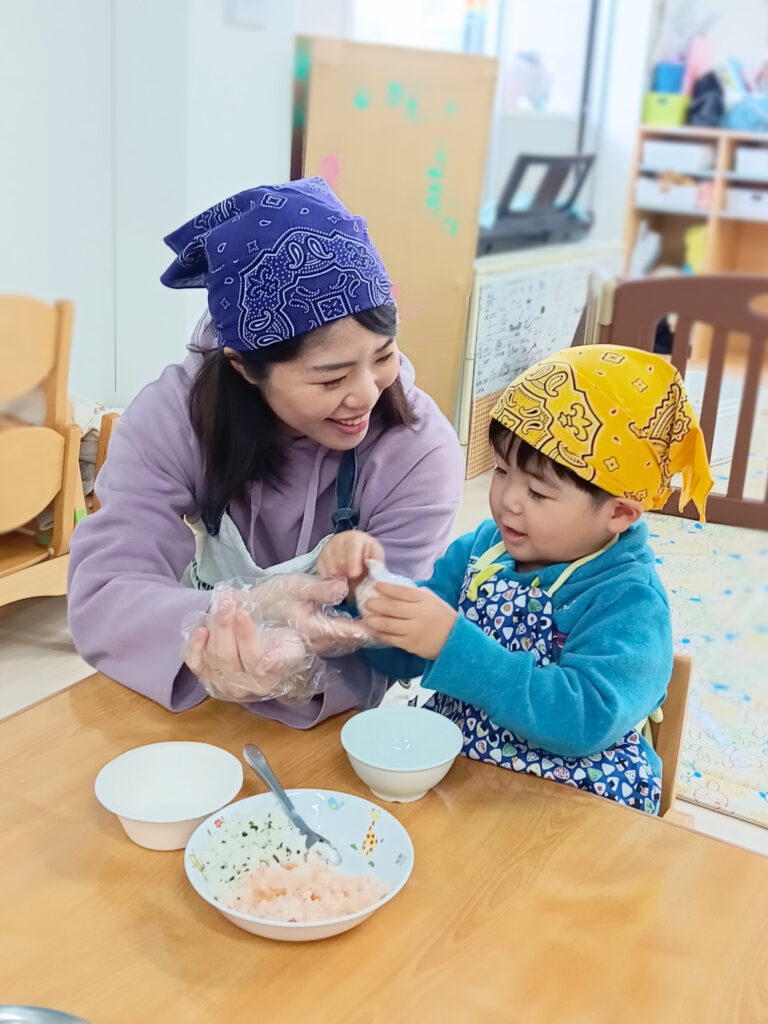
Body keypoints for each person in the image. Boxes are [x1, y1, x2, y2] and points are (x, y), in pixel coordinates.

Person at [67, 177, 464, 726]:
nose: (368, 395)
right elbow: (104, 593)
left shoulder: (417, 449)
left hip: (324, 723)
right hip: (183, 690)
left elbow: (391, 632)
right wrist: (224, 618)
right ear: (242, 366)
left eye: (384, 356)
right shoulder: (174, 418)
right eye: (331, 378)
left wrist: (299, 662)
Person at [326, 345, 714, 813]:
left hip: (573, 805)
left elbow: (583, 719)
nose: (508, 500)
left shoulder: (629, 601)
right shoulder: (482, 549)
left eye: (538, 491)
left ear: (620, 511)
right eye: (502, 471)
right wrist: (365, 592)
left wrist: (453, 645)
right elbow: (401, 661)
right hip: (466, 780)